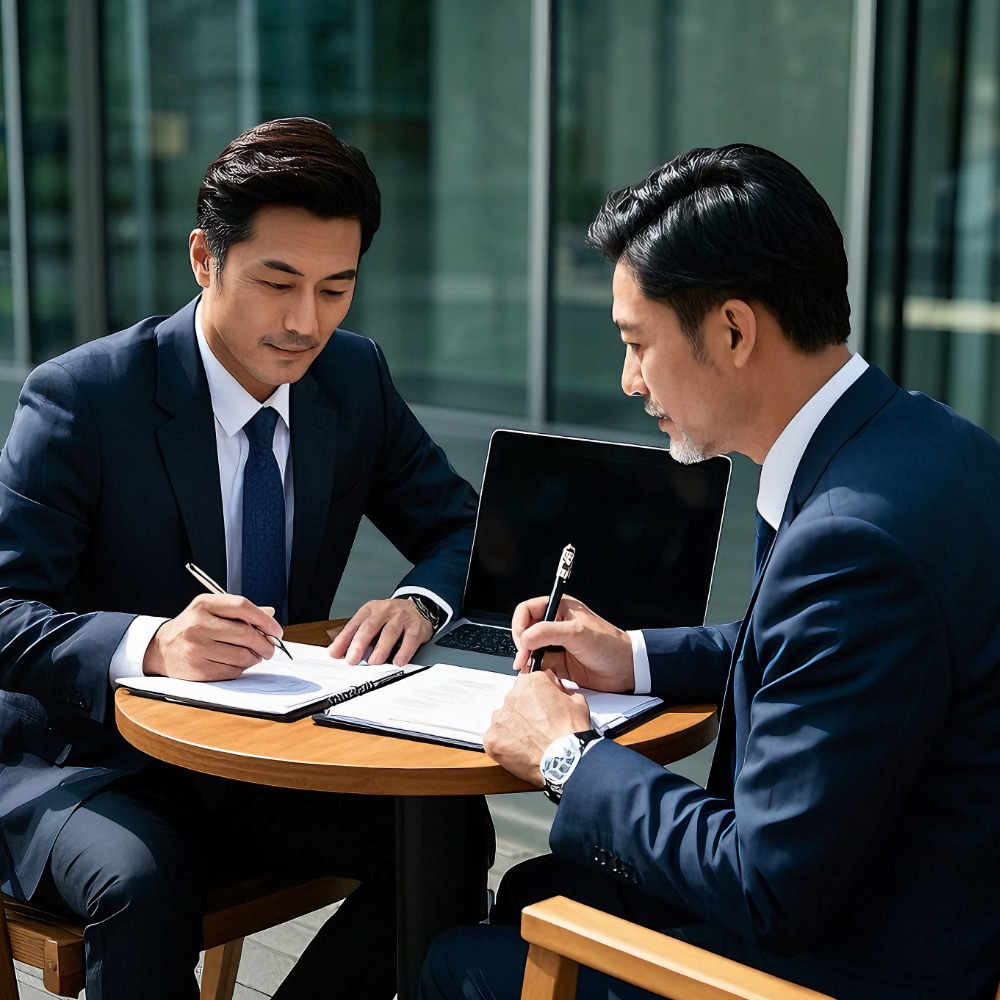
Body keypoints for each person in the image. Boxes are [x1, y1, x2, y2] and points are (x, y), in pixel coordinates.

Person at [420, 144, 1000, 1000]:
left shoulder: (851, 542)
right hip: (914, 901)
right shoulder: (927, 447)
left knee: (454, 967)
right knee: (536, 892)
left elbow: (767, 887)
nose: (627, 381)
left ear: (733, 330)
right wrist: (636, 656)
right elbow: (815, 656)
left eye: (637, 343)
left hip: (850, 962)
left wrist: (564, 758)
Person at [0, 118, 486, 999]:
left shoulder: (351, 377)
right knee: (146, 885)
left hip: (259, 749)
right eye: (278, 282)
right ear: (203, 259)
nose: (307, 322)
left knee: (446, 834)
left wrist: (419, 601)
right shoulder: (82, 398)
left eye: (337, 288)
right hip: (87, 760)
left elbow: (467, 532)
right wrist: (149, 644)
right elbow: (3, 612)